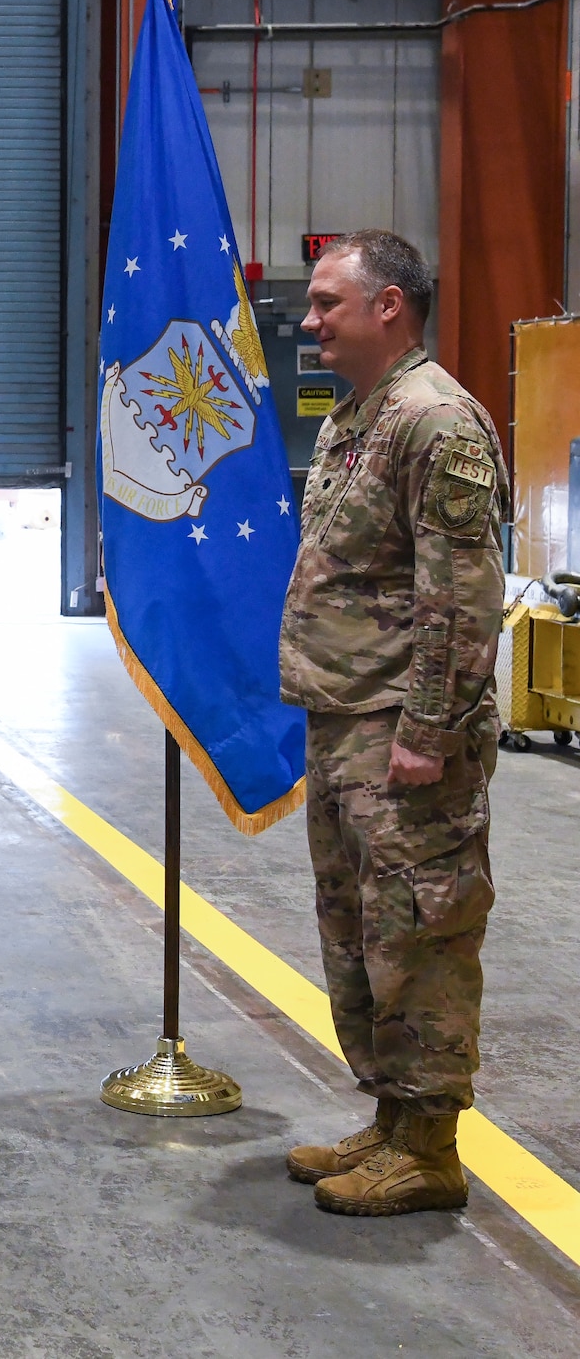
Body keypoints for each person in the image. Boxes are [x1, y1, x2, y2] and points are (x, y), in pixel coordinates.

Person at [278, 229, 507, 1217]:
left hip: (400, 730)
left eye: (327, 300)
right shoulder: (353, 417)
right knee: (358, 930)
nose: (306, 316)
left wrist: (425, 729)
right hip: (343, 720)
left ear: (388, 307)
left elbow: (459, 597)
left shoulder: (433, 420)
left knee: (417, 932)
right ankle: (386, 1113)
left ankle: (427, 1144)